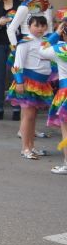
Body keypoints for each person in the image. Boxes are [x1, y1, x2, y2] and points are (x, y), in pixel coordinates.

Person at [6, 15, 54, 159]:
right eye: (36, 25)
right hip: (28, 83)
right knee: (28, 116)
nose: (40, 29)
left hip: (41, 84)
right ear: (29, 27)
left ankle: (32, 147)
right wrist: (19, 82)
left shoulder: (46, 42)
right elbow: (16, 65)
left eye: (42, 26)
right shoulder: (24, 43)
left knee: (33, 117)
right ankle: (25, 148)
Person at [39, 20, 67, 174]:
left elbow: (41, 49)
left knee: (66, 130)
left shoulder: (58, 49)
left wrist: (56, 34)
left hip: (65, 92)